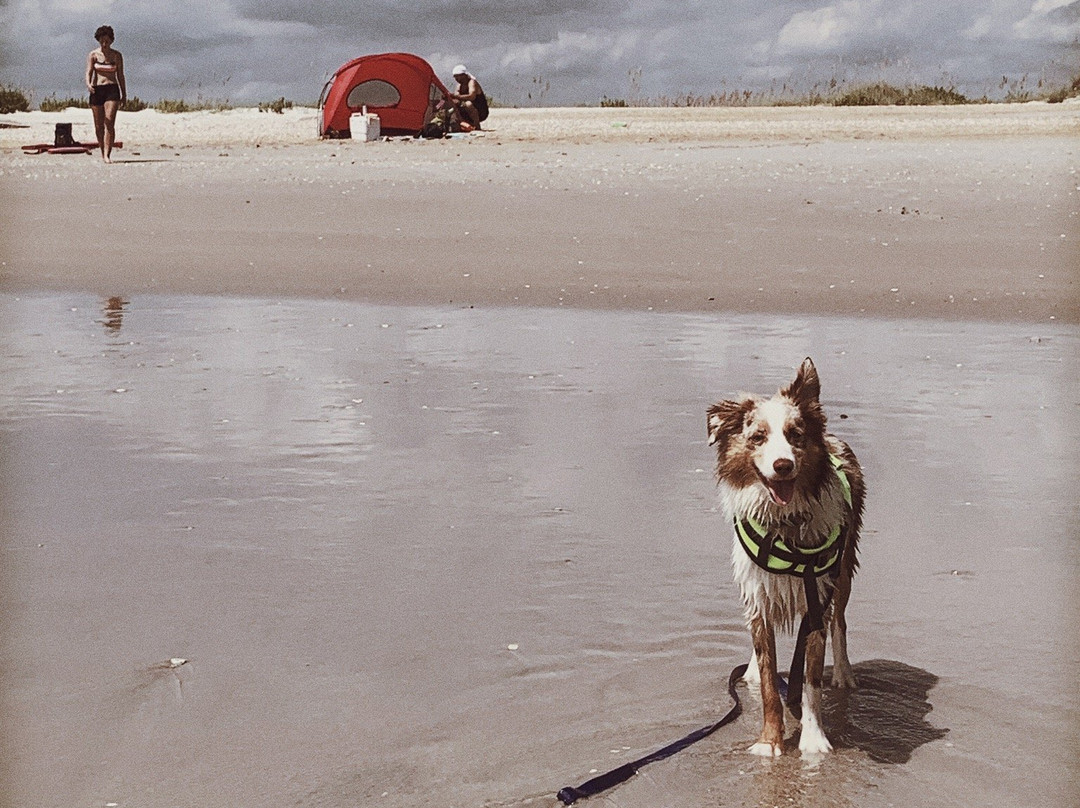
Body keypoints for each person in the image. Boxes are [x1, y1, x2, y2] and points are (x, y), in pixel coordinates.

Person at [85, 25, 126, 163]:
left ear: (111, 40)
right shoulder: (93, 55)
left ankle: (108, 154)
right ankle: (102, 151)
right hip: (97, 90)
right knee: (99, 125)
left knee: (109, 121)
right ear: (98, 40)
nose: (105, 44)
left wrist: (124, 94)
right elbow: (89, 72)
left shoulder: (116, 55)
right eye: (102, 41)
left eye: (107, 41)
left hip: (112, 90)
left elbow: (121, 75)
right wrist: (88, 83)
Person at [449, 64, 488, 131]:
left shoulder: (472, 82)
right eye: (455, 77)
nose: (457, 79)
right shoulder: (459, 86)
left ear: (464, 75)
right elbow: (457, 97)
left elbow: (472, 97)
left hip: (480, 111)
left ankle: (477, 126)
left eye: (458, 77)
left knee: (468, 104)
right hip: (467, 113)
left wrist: (455, 96)